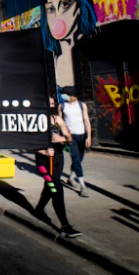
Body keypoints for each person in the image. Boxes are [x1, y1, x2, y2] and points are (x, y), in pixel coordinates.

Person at [33, 93, 82, 238]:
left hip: (58, 159)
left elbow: (69, 138)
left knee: (51, 186)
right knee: (56, 187)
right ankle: (65, 226)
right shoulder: (34, 121)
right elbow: (28, 144)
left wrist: (61, 138)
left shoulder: (57, 119)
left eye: (53, 104)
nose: (51, 106)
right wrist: (42, 150)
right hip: (43, 162)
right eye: (48, 104)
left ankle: (39, 209)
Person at [40, 0, 98, 90]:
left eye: (65, 4)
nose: (58, 16)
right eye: (51, 9)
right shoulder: (48, 57)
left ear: (80, 8)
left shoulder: (91, 49)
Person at [59, 86, 92, 197]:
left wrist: (89, 137)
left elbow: (87, 121)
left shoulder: (81, 105)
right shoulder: (62, 106)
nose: (63, 96)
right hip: (70, 137)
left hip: (81, 136)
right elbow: (60, 122)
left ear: (71, 95)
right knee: (76, 159)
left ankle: (71, 177)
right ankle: (83, 187)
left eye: (64, 94)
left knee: (79, 159)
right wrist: (63, 136)